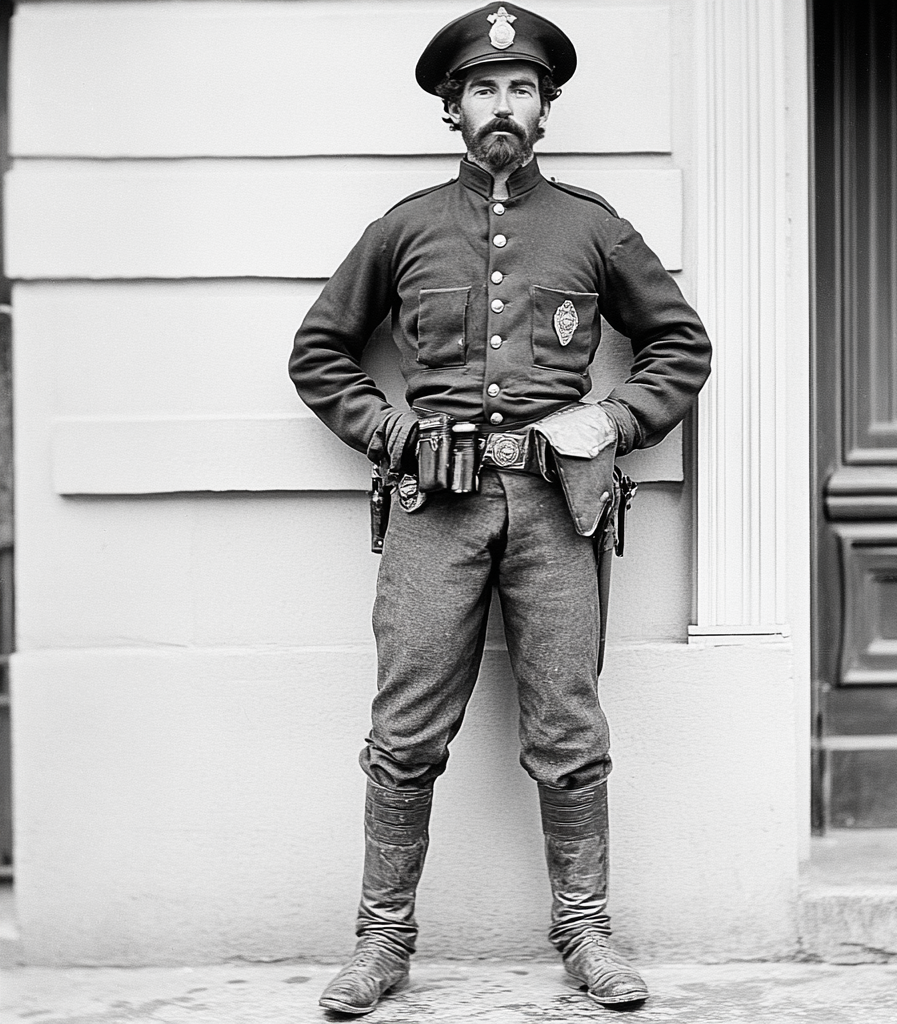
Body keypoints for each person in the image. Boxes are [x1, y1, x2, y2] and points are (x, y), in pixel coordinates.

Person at [289, 3, 712, 1014]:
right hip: (435, 506)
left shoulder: (591, 225)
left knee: (568, 725)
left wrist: (612, 419)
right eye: (484, 89)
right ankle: (381, 940)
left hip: (557, 513)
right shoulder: (403, 228)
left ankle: (584, 929)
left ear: (545, 106)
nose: (503, 106)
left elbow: (679, 345)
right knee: (405, 729)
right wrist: (392, 433)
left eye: (522, 89)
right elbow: (319, 355)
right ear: (453, 105)